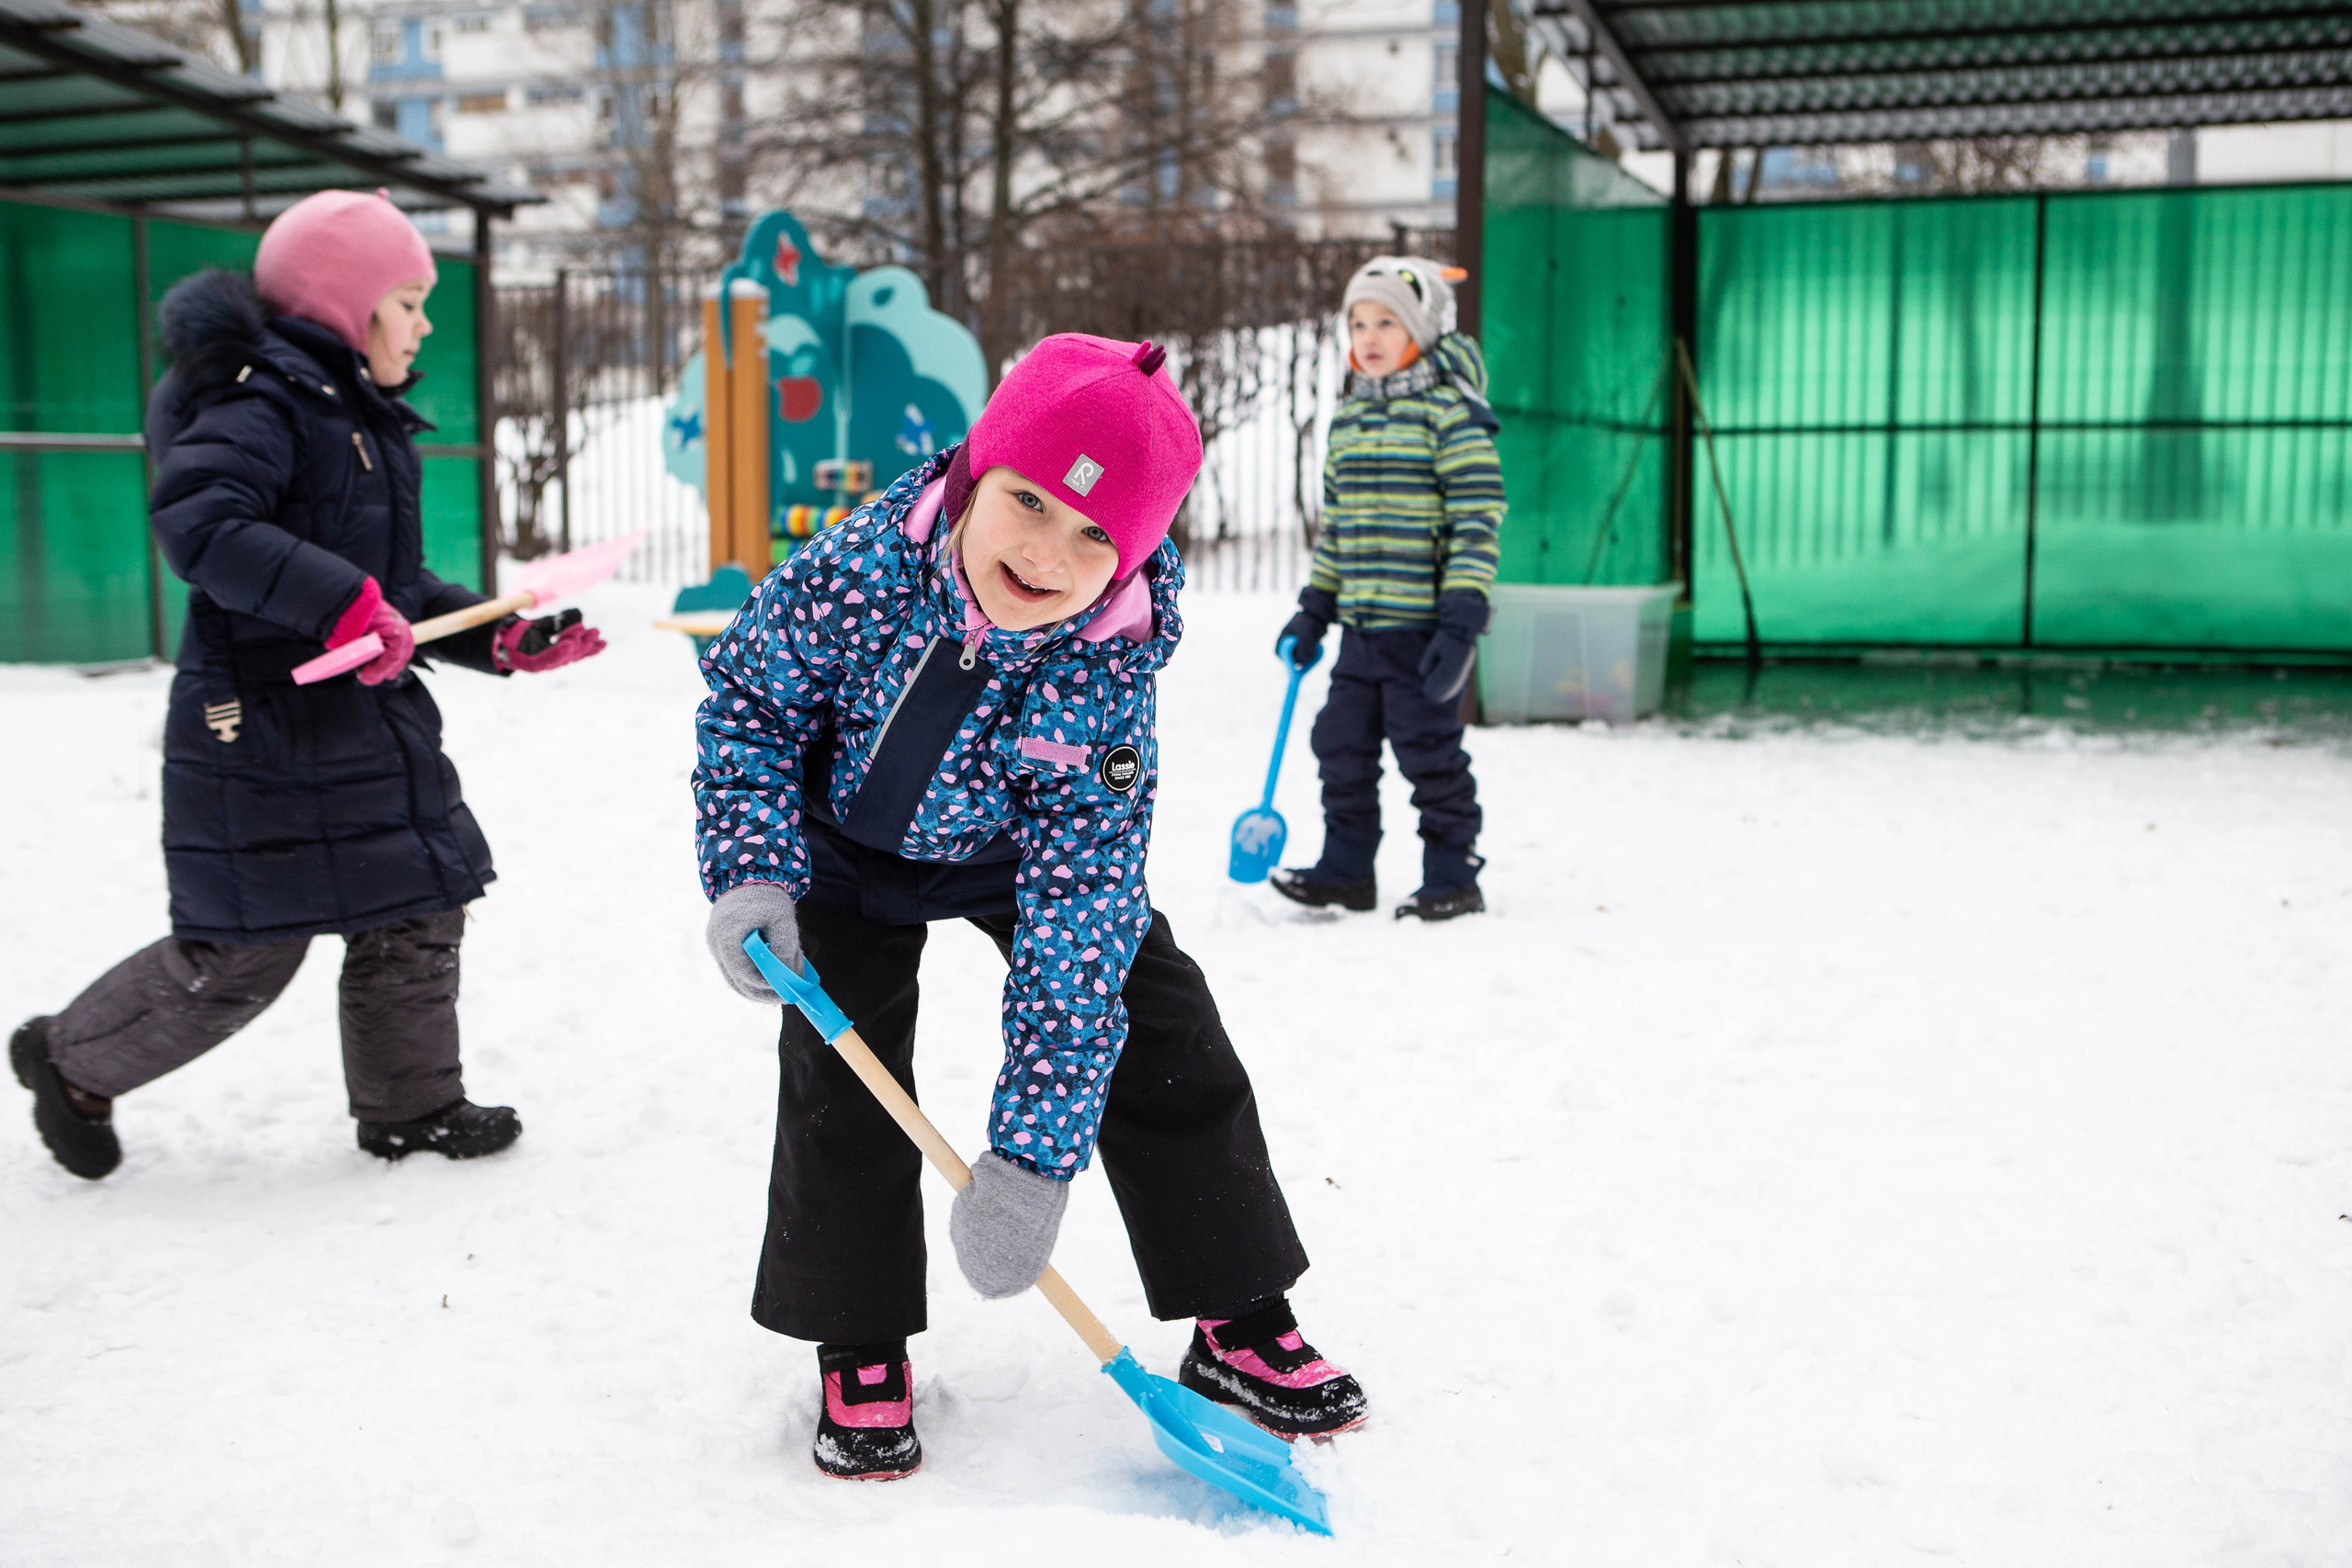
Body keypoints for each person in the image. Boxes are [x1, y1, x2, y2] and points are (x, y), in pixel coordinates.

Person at [695, 334, 1366, 1482]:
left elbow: (1078, 933)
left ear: (1139, 551)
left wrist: (1029, 1161)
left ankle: (1234, 1309)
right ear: (974, 476)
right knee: (842, 1069)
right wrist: (753, 869)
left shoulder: (1104, 677)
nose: (1049, 553)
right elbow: (750, 704)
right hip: (841, 845)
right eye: (1029, 502)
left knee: (1160, 1023)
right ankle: (859, 1334)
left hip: (1015, 856)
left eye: (1099, 534)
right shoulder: (859, 564)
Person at [10, 190, 605, 1182]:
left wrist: (503, 637)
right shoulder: (262, 402)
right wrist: (338, 604)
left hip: (360, 719)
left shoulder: (359, 418)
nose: (423, 323)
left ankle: (411, 1107)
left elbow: (395, 589)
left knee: (414, 904)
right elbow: (203, 524)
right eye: (408, 301)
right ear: (347, 306)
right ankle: (68, 1061)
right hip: (261, 726)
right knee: (246, 946)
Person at [1270, 256, 1504, 921]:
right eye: (1358, 321)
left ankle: (1453, 870)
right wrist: (1314, 610)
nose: (1368, 335)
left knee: (1428, 751)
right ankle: (1347, 869)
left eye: (1387, 322)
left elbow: (1477, 520)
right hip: (1361, 630)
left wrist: (1462, 620)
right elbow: (1338, 530)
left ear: (1422, 331)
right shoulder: (1347, 422)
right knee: (1339, 743)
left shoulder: (1451, 414)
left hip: (1426, 628)